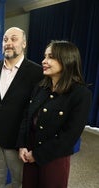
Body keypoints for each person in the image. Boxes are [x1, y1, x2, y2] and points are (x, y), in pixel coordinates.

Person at [17, 40, 92, 188]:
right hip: (30, 152)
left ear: (67, 59)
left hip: (54, 158)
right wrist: (22, 145)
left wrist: (37, 156)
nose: (44, 61)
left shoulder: (80, 94)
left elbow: (70, 136)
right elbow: (27, 117)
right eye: (45, 56)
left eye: (51, 57)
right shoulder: (40, 87)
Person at [0, 27, 43, 188]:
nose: (8, 43)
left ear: (24, 44)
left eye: (14, 39)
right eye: (5, 39)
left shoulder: (37, 73)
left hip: (19, 141)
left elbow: (37, 111)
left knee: (20, 180)